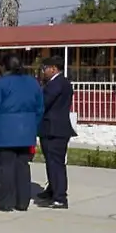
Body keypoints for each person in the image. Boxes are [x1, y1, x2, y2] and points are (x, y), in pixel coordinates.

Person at [0, 55, 45, 211]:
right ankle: (23, 202)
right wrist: (32, 127)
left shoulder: (0, 84)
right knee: (23, 166)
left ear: (4, 67)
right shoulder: (32, 83)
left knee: (6, 166)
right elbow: (40, 108)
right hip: (26, 130)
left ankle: (6, 201)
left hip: (5, 131)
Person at [37, 57, 76, 209]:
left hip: (55, 129)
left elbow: (44, 101)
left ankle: (60, 196)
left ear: (53, 68)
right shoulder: (57, 83)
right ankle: (52, 189)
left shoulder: (57, 83)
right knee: (50, 162)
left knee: (56, 163)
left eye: (44, 68)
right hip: (50, 128)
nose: (43, 71)